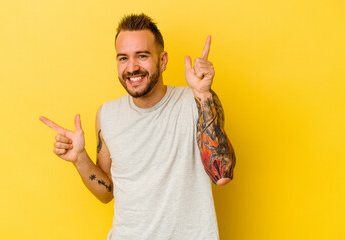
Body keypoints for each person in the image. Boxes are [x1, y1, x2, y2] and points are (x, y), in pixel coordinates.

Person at [40, 13, 235, 240]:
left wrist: (202, 93)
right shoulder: (107, 115)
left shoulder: (196, 101)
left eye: (142, 56)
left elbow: (222, 174)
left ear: (162, 61)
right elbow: (107, 193)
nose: (132, 68)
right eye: (123, 58)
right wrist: (80, 159)